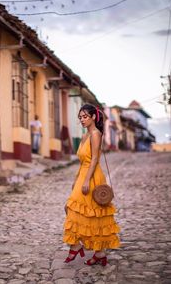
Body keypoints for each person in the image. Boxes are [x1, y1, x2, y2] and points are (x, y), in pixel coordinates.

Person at [63, 104, 120, 266]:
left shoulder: (96, 134)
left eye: (85, 116)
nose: (82, 119)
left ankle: (80, 246)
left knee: (93, 212)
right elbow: (82, 161)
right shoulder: (85, 136)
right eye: (80, 117)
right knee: (73, 208)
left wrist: (87, 180)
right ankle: (98, 252)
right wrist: (76, 179)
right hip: (83, 174)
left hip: (93, 176)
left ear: (94, 117)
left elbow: (94, 159)